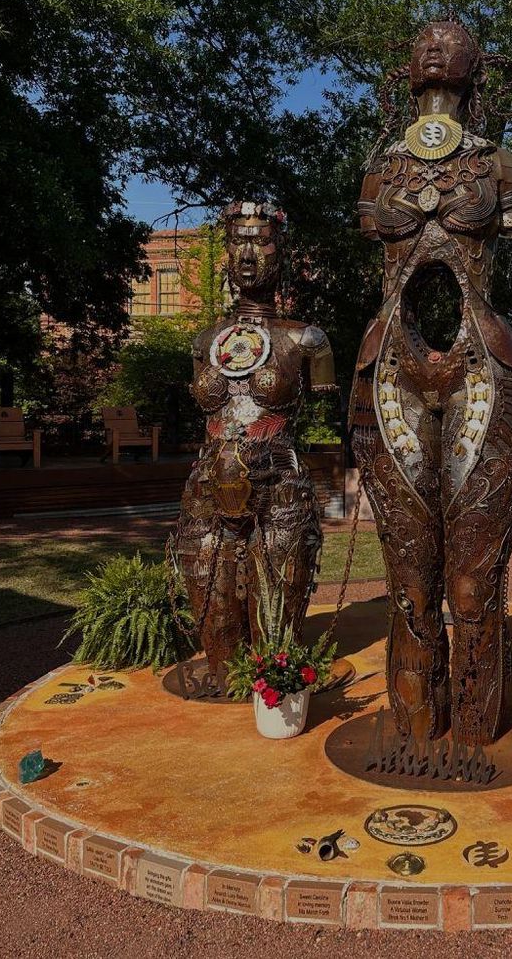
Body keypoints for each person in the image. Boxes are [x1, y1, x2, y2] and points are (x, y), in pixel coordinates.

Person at [350, 20, 512, 746]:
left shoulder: (500, 164)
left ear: (474, 65)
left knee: (471, 572)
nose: (433, 43)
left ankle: (475, 724)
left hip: (482, 368)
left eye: (450, 38)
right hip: (392, 365)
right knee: (410, 571)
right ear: (407, 61)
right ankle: (415, 715)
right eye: (422, 37)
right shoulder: (383, 170)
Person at [170, 201, 337, 675]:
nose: (247, 253)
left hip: (279, 485)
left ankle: (277, 695)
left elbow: (331, 410)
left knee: (274, 639)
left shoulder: (308, 339)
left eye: (260, 241)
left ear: (281, 252)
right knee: (217, 633)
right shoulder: (206, 341)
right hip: (207, 489)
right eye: (236, 241)